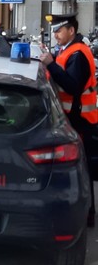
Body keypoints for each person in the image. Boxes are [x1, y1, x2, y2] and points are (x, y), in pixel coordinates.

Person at [40, 13, 98, 226]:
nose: (55, 34)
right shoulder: (67, 51)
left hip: (81, 120)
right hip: (72, 118)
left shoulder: (79, 54)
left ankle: (88, 214)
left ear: (71, 30)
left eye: (58, 30)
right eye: (53, 31)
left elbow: (73, 86)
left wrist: (52, 65)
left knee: (83, 170)